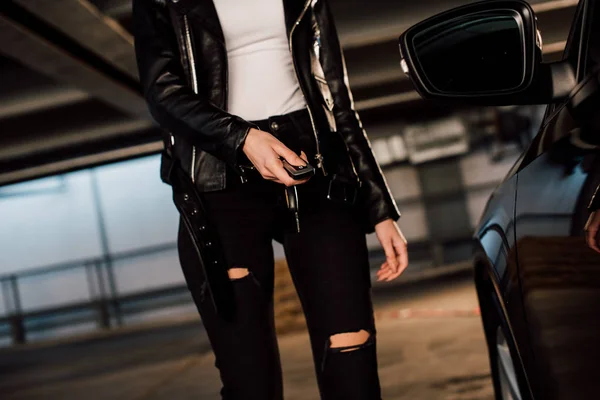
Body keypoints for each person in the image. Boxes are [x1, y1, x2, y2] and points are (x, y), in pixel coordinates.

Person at [132, 0, 409, 398]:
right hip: (220, 185)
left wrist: (380, 208)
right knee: (251, 386)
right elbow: (163, 93)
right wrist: (242, 139)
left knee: (354, 370)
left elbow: (338, 101)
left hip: (316, 175)